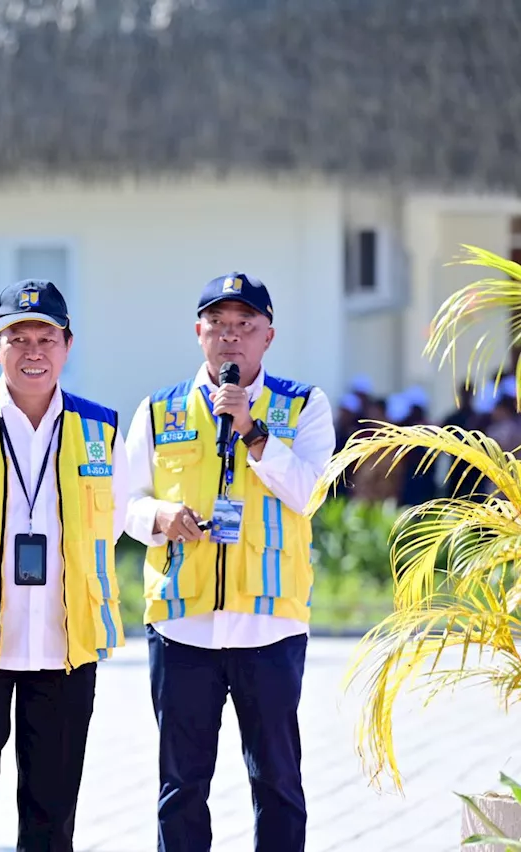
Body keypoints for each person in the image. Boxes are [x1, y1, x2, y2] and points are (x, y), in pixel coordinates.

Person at [124, 272, 335, 852]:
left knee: (277, 783)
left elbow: (311, 493)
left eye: (245, 326)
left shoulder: (304, 405)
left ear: (269, 336)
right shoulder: (158, 410)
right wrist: (161, 518)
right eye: (218, 325)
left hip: (270, 625)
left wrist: (252, 433)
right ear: (198, 333)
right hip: (180, 624)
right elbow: (124, 502)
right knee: (181, 785)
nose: (231, 338)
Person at [0, 280, 128, 852]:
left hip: (65, 649)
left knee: (52, 810)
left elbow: (119, 520)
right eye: (17, 337)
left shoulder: (103, 432)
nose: (32, 350)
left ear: (67, 344)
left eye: (46, 337)